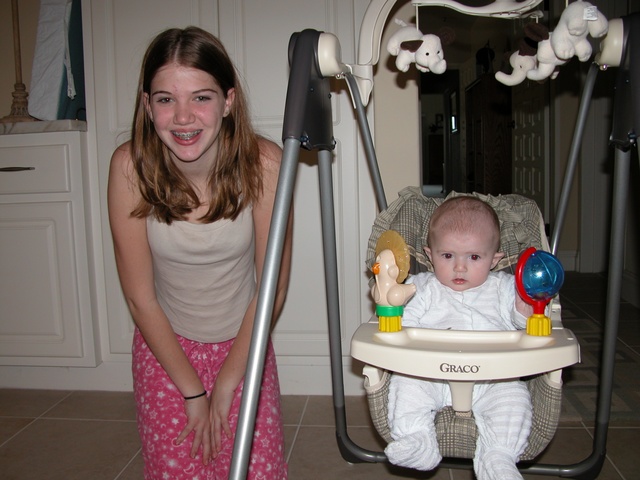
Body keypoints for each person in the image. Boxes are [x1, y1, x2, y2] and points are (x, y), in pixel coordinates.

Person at [107, 26, 292, 480]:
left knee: (256, 469)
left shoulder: (265, 163)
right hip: (167, 351)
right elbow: (140, 299)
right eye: (166, 99)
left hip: (243, 345)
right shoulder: (129, 167)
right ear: (147, 105)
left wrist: (228, 382)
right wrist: (192, 392)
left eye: (201, 98)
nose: (183, 117)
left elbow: (273, 286)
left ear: (228, 101)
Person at [384, 196, 533, 480]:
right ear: (430, 255)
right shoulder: (421, 288)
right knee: (406, 385)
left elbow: (525, 327)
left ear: (494, 260)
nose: (460, 267)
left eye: (474, 257)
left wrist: (525, 309)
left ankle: (498, 457)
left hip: (494, 378)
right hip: (431, 374)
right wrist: (392, 304)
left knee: (513, 399)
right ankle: (417, 440)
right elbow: (404, 326)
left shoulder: (504, 289)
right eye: (448, 256)